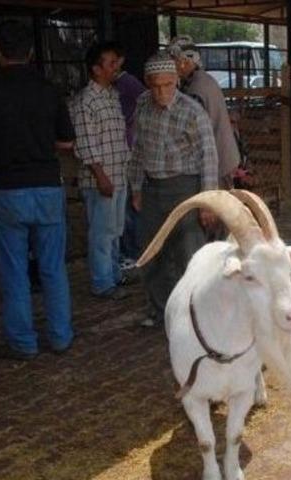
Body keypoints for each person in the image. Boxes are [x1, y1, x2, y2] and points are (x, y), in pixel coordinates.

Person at [0, 20, 75, 360]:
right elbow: (68, 141)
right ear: (30, 52)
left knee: (13, 271)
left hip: (6, 191)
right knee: (53, 268)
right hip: (46, 188)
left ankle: (23, 343)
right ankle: (60, 337)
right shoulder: (48, 88)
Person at [129, 51, 218, 327]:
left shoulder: (192, 111)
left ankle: (197, 317)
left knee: (189, 253)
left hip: (185, 188)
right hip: (152, 187)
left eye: (167, 84)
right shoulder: (142, 105)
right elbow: (138, 150)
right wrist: (136, 188)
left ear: (176, 81)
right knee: (152, 253)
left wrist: (206, 201)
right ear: (147, 83)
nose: (161, 91)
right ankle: (162, 311)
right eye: (155, 85)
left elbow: (209, 155)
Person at [70, 42, 132, 300]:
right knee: (101, 233)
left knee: (115, 230)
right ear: (96, 69)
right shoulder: (86, 101)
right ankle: (102, 283)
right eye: (110, 63)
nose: (116, 66)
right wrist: (101, 176)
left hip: (117, 175)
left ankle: (114, 275)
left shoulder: (111, 95)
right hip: (101, 180)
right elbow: (86, 144)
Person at [168, 35, 241, 190]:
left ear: (184, 62)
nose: (172, 65)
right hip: (224, 155)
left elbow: (194, 135)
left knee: (213, 208)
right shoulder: (205, 80)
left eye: (173, 60)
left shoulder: (196, 90)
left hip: (215, 161)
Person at [110, 43, 147, 266]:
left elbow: (145, 100)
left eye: (115, 61)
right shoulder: (117, 85)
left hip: (127, 151)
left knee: (128, 206)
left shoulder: (127, 83)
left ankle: (132, 251)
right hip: (121, 151)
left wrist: (132, 124)